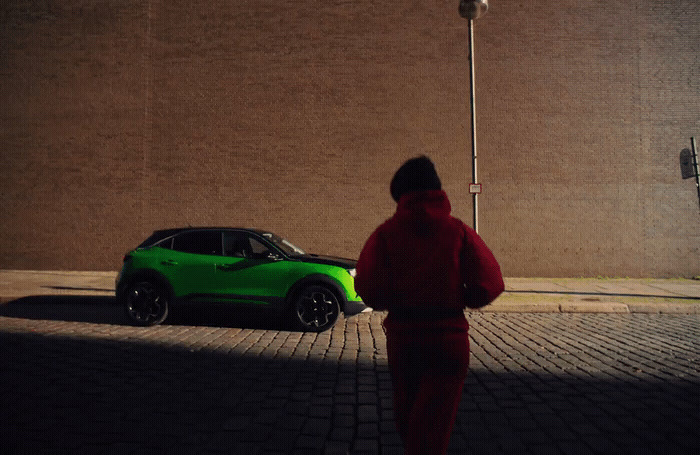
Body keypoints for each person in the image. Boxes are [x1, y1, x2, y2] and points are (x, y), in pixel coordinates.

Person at [355, 155, 504, 455]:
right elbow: (491, 282)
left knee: (409, 420)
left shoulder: (385, 234)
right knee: (435, 426)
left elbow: (368, 287)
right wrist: (459, 297)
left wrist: (396, 297)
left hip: (405, 340)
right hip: (448, 339)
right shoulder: (458, 231)